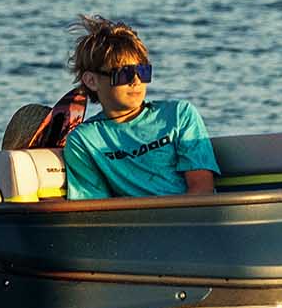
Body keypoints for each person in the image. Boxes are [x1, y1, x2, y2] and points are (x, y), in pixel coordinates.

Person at [50, 16, 216, 198]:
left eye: (143, 72)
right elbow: (94, 208)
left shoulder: (179, 115)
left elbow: (202, 191)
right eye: (124, 74)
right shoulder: (83, 140)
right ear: (91, 80)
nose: (136, 81)